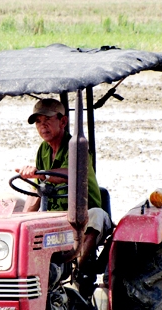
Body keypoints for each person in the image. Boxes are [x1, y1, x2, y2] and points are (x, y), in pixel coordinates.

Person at [15, 98, 112, 296]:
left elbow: (71, 172)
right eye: (38, 121)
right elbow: (39, 187)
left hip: (83, 214)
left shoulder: (76, 146)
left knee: (94, 215)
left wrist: (41, 173)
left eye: (48, 119)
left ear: (63, 121)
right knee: (24, 224)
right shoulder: (43, 150)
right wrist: (23, 219)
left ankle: (83, 275)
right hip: (58, 216)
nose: (43, 126)